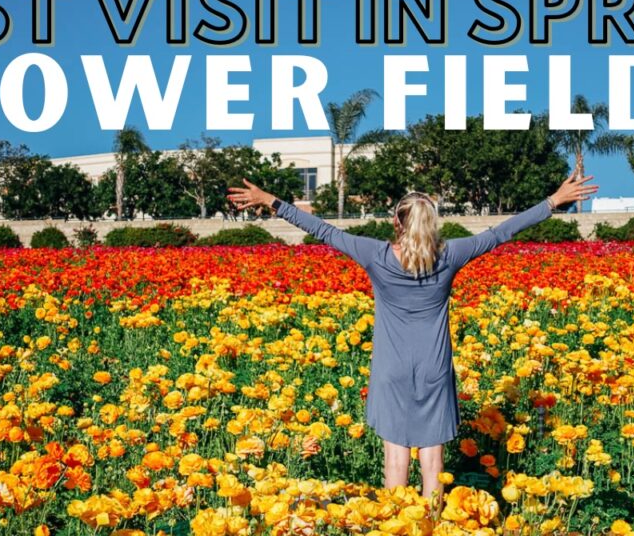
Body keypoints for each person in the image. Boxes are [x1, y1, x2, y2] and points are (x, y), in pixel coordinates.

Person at [227, 170, 598, 513]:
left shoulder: (376, 255)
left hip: (391, 370)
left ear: (396, 222)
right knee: (433, 462)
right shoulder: (449, 255)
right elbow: (501, 232)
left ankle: (398, 524)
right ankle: (431, 524)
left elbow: (323, 230)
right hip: (434, 369)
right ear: (432, 224)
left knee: (395, 459)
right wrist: (552, 201)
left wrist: (270, 200)